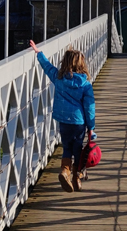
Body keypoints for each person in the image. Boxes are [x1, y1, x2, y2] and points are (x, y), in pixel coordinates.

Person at [30, 39, 95, 192]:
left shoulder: (59, 79)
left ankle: (65, 171)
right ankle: (77, 176)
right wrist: (91, 127)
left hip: (63, 121)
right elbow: (89, 107)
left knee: (67, 147)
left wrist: (39, 53)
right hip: (79, 122)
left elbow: (47, 67)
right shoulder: (85, 85)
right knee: (78, 149)